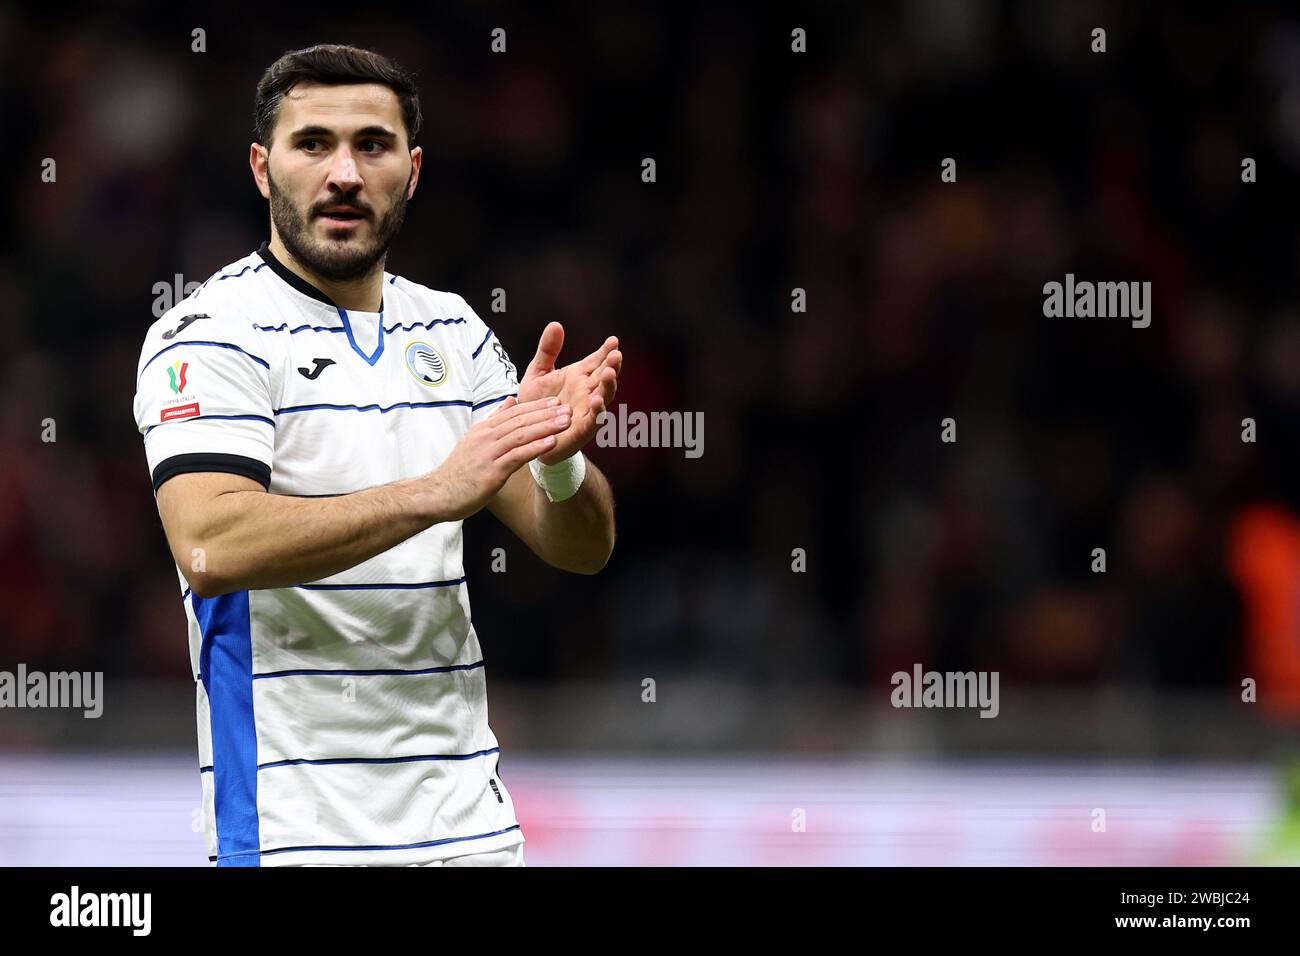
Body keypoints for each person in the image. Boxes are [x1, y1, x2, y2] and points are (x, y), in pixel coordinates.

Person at [131, 43, 621, 866]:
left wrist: (559, 461)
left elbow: (578, 549)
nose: (345, 173)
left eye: (373, 144)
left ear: (413, 169)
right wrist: (433, 492)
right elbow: (211, 546)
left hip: (472, 833)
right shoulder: (210, 333)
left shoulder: (453, 331)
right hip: (297, 838)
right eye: (313, 143)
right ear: (262, 167)